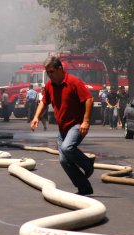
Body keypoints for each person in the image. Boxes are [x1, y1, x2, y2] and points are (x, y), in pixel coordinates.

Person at [30, 56, 94, 196]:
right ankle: (84, 188)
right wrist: (36, 117)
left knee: (67, 148)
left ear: (60, 69)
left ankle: (87, 163)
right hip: (62, 128)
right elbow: (44, 102)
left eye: (52, 72)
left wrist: (86, 121)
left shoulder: (73, 82)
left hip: (76, 125)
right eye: (48, 73)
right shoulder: (49, 86)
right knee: (64, 160)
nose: (50, 75)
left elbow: (89, 99)